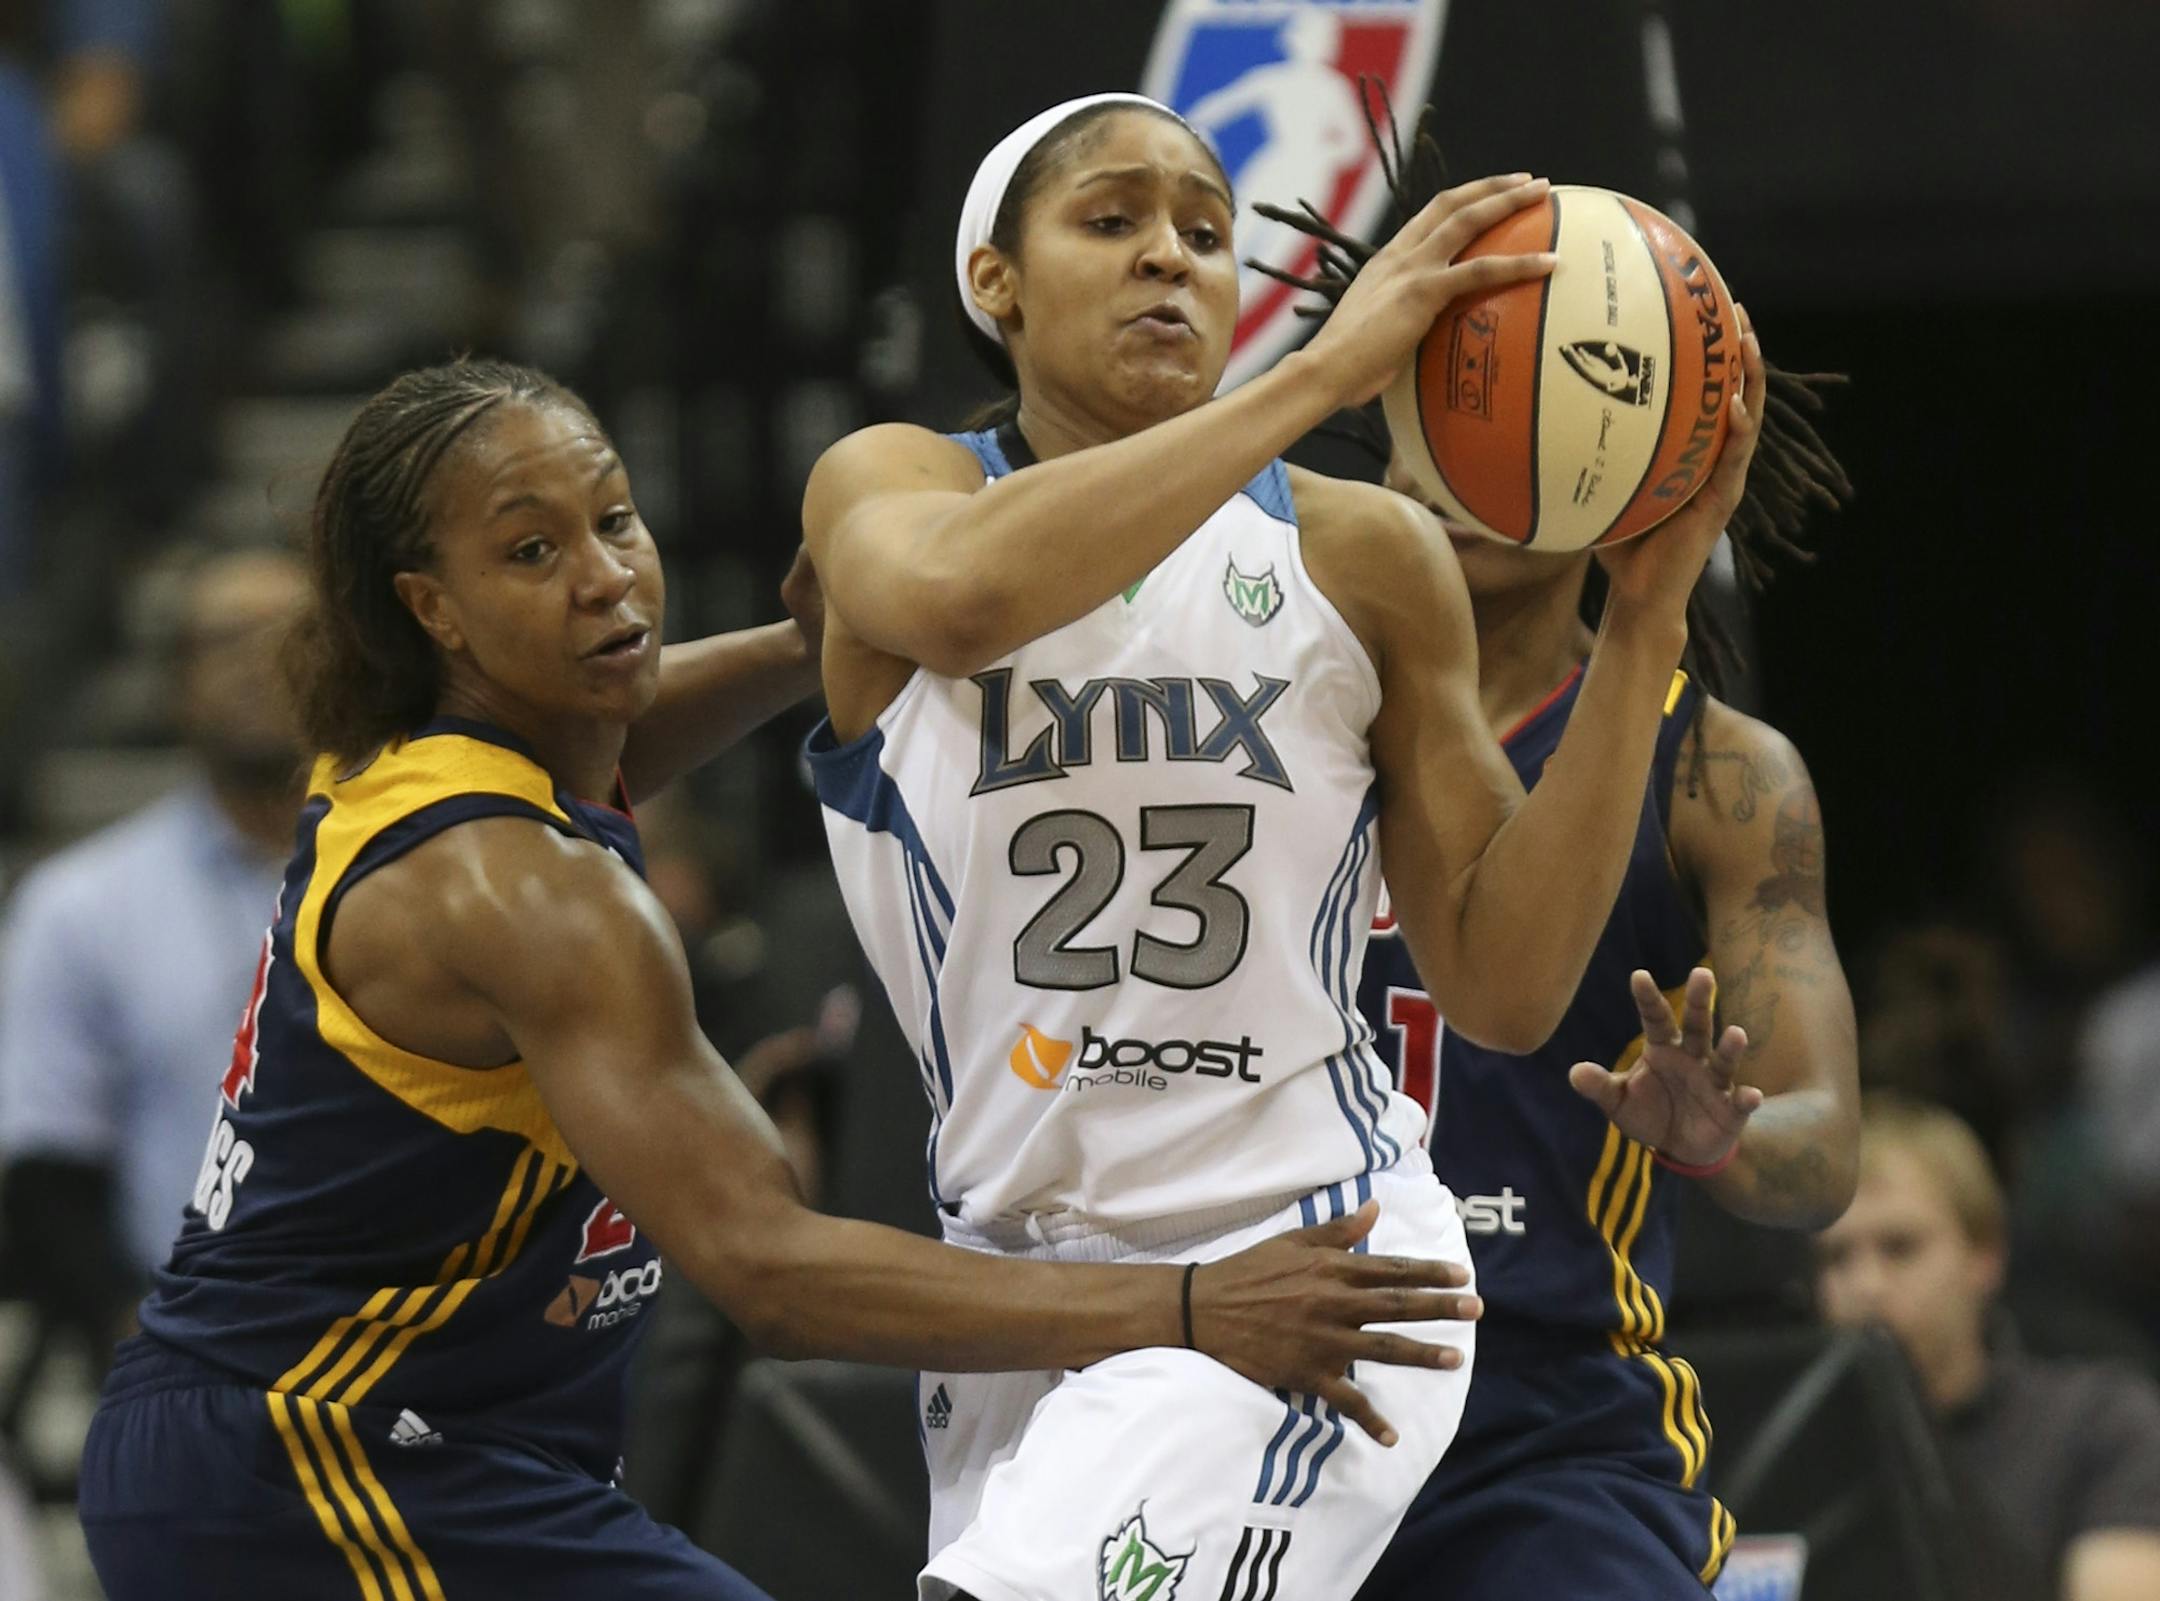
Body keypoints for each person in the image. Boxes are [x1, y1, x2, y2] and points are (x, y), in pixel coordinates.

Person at [69, 357, 1479, 1601]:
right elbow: (772, 1272)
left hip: (349, 1443)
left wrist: (826, 643)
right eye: (530, 552)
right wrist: (1190, 1307)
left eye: (612, 519)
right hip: (315, 1462)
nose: (606, 574)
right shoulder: (528, 895)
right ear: (432, 607)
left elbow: (633, 724)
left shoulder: (442, 764)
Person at [800, 91, 1766, 1601]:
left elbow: (1503, 990)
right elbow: (964, 605)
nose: (1169, 259)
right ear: (994, 279)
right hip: (1022, 1287)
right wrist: (1314, 373)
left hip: (1311, 1261)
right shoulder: (894, 486)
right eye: (1111, 221)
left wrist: (1646, 616)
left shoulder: (1356, 554)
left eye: (1204, 231)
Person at [1243, 105, 1861, 1600]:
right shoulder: (1245, 708)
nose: (1472, 442)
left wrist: (1720, 1138)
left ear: (1624, 457)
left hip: (1540, 1416)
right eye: (1458, 385)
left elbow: (1824, 1144)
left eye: (1527, 395)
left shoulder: (1718, 771)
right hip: (1243, 1367)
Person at [0, 548, 308, 1356]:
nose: (257, 667)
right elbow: (45, 1166)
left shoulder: (431, 880)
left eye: (289, 638)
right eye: (226, 641)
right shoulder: (80, 906)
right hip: (187, 1348)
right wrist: (147, 1350)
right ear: (176, 684)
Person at [1816, 1095, 2160, 1601]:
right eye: (1835, 1257)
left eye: (1900, 1247)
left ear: (1985, 1255)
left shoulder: (2098, 1424)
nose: (1865, 1285)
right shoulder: (1784, 1446)